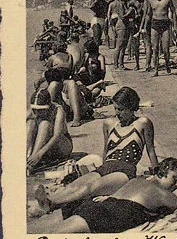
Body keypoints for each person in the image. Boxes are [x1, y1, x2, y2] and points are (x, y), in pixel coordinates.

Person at [34, 86, 159, 215]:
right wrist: (101, 170)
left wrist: (157, 175)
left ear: (131, 108)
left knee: (90, 188)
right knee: (75, 185)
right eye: (115, 108)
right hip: (106, 166)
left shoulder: (143, 123)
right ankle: (48, 201)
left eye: (121, 110)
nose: (117, 113)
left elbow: (150, 150)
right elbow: (106, 150)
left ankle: (51, 203)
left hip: (125, 170)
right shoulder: (109, 123)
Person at [53, 158, 177, 234]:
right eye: (175, 179)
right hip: (110, 216)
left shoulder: (139, 180)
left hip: (99, 206)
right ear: (162, 174)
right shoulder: (163, 194)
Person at [26, 89, 73, 175]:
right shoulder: (33, 110)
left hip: (62, 145)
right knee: (30, 123)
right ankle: (27, 157)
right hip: (46, 147)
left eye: (40, 110)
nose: (36, 113)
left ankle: (32, 162)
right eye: (35, 110)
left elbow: (57, 136)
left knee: (45, 124)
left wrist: (39, 154)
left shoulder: (58, 109)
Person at [146, 0, 177, 76]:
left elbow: (173, 11)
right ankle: (156, 69)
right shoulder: (150, 1)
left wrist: (175, 24)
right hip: (155, 24)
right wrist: (144, 27)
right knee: (155, 48)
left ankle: (167, 64)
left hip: (165, 24)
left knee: (165, 49)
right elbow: (148, 15)